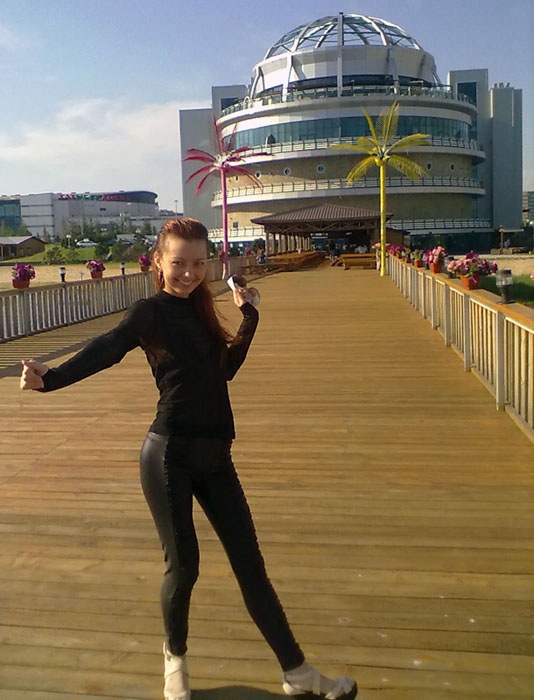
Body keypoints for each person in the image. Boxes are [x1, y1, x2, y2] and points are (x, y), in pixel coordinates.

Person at [20, 218, 357, 700]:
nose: (189, 273)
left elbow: (224, 371)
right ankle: (174, 664)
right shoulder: (149, 312)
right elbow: (107, 349)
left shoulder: (202, 309)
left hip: (217, 457)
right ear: (159, 262)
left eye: (199, 263)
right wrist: (49, 379)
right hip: (168, 456)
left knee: (251, 568)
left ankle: (296, 671)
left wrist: (250, 317)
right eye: (179, 263)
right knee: (185, 567)